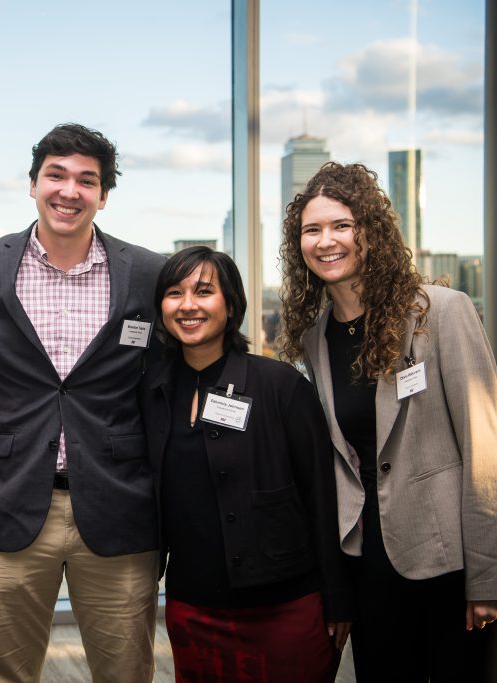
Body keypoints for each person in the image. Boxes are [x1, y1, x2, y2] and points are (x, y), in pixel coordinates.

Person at [279, 161, 497, 682]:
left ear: (370, 230)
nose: (326, 241)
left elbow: (487, 449)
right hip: (368, 565)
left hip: (449, 561)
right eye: (312, 230)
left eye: (341, 225)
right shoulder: (314, 339)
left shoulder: (441, 312)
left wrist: (490, 574)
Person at [0, 122, 165, 682]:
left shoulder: (147, 271)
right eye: (56, 175)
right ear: (33, 183)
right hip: (12, 502)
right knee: (8, 676)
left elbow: (163, 382)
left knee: (126, 675)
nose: (69, 190)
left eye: (86, 180)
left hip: (119, 509)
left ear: (104, 196)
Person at [139, 247, 352, 682]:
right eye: (174, 293)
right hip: (192, 607)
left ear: (231, 304)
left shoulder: (280, 385)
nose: (188, 305)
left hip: (285, 607)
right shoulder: (152, 391)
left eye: (204, 291)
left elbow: (322, 494)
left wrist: (338, 596)